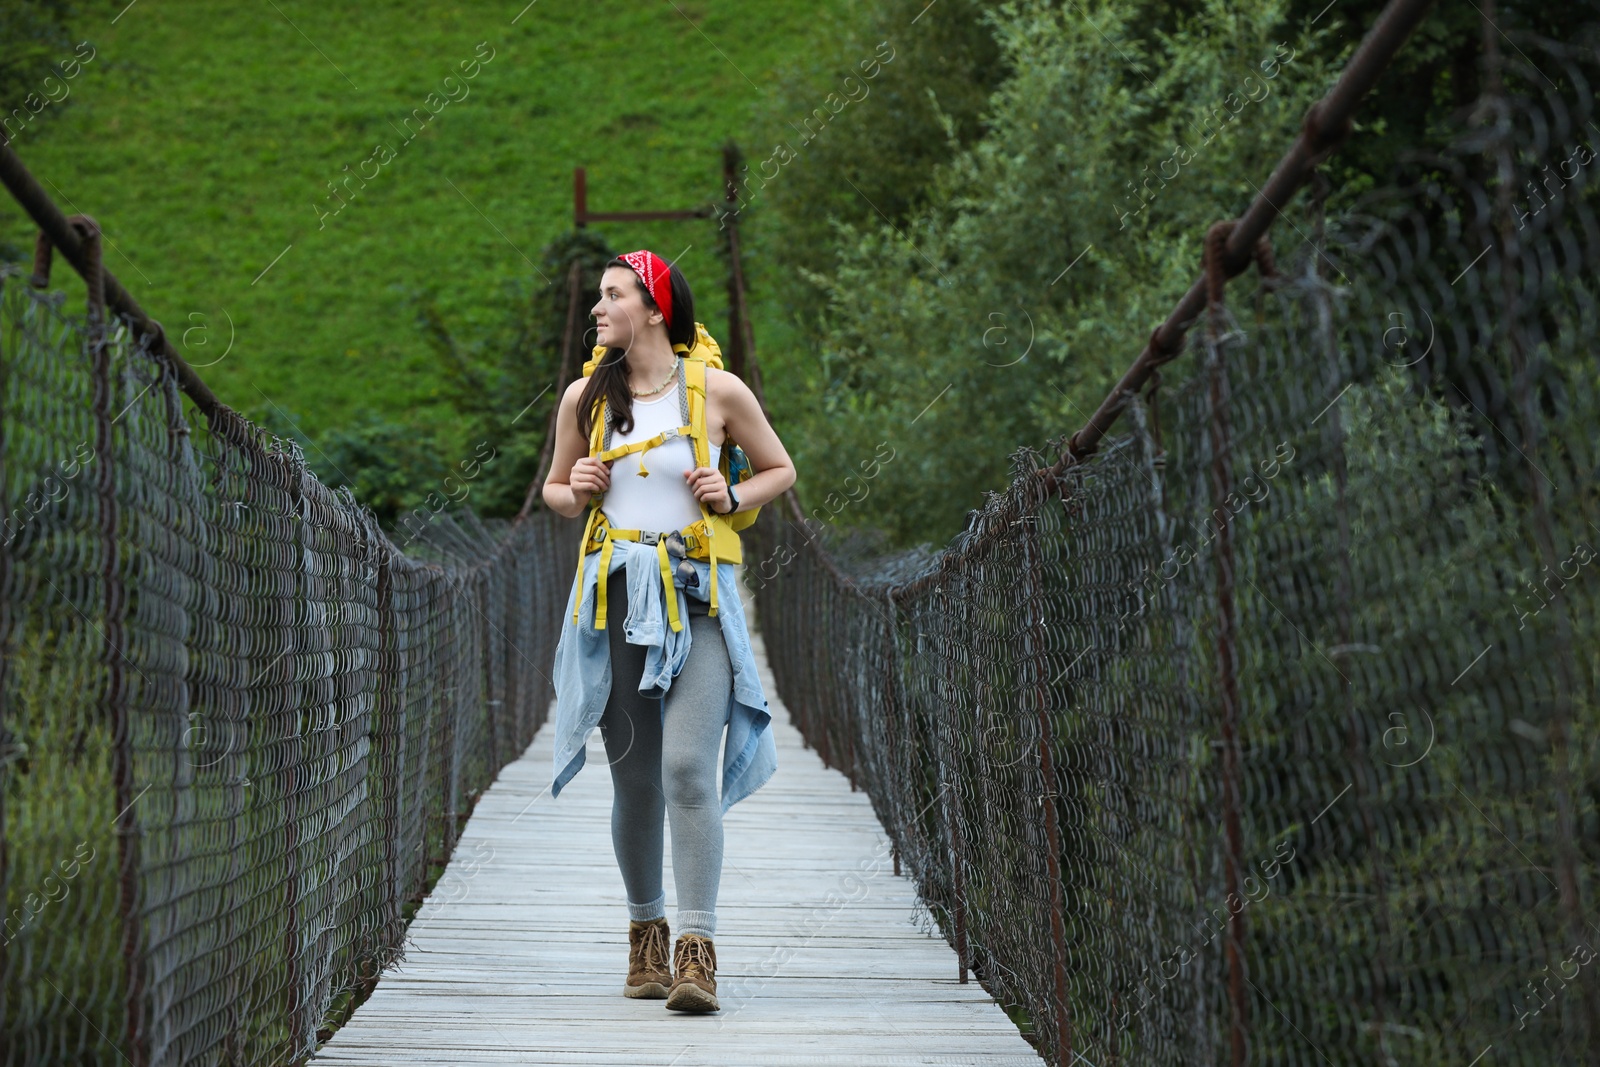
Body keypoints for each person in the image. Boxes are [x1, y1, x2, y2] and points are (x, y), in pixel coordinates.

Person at [543, 250, 796, 1013]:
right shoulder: (584, 397)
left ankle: (697, 951)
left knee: (688, 767)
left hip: (699, 598)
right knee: (635, 777)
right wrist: (575, 487)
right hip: (617, 600)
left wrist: (731, 487)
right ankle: (645, 935)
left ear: (654, 307)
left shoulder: (718, 391)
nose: (599, 307)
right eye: (598, 297)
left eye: (613, 294)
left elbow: (780, 469)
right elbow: (556, 489)